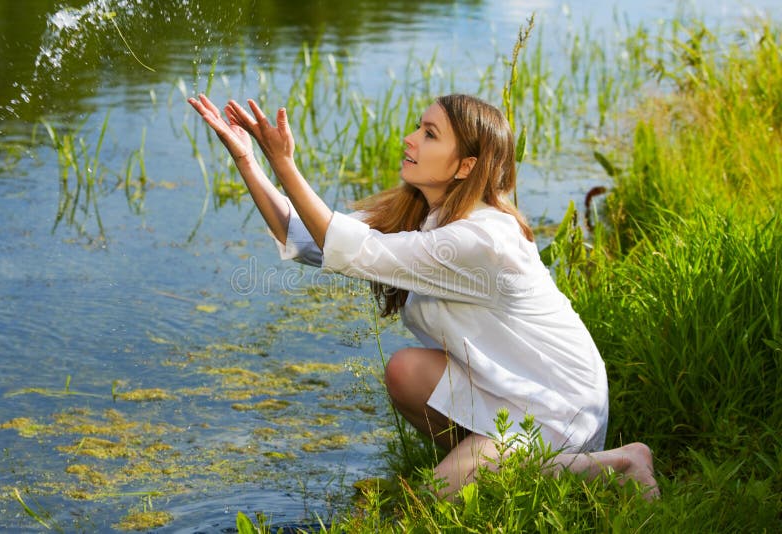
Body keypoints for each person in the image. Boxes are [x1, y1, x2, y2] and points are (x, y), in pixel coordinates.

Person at [187, 92, 659, 500]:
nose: (411, 138)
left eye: (430, 134)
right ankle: (484, 462)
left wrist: (284, 162)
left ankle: (614, 464)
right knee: (406, 371)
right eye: (419, 127)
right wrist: (249, 160)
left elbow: (349, 250)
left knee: (434, 497)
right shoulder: (434, 218)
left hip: (557, 408)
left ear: (466, 166)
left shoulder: (480, 240)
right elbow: (312, 238)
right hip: (510, 393)